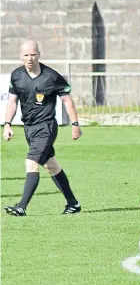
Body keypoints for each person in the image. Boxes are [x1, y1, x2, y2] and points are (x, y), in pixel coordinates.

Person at [3, 40, 82, 216]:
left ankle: (22, 206)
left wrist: (75, 124)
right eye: (26, 55)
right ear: (20, 56)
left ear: (39, 54)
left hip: (46, 126)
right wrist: (7, 124)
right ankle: (73, 204)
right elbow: (12, 101)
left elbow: (67, 100)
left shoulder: (51, 76)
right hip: (29, 128)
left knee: (31, 163)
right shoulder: (16, 75)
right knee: (51, 166)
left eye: (33, 54)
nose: (29, 58)